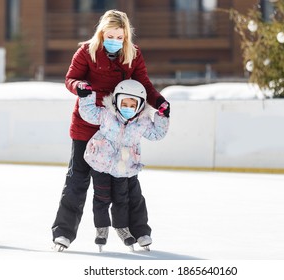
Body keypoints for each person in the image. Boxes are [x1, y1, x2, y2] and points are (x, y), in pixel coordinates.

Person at [51, 9, 170, 251]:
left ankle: (139, 232)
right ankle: (63, 234)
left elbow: (144, 85)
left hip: (118, 128)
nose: (114, 40)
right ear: (102, 33)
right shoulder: (86, 51)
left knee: (127, 182)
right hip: (87, 125)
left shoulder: (133, 54)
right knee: (77, 180)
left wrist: (159, 102)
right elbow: (70, 78)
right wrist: (80, 87)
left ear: (126, 36)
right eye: (110, 35)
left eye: (119, 36)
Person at [78, 79, 169, 251]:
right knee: (101, 199)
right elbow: (89, 113)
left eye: (132, 104)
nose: (128, 107)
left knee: (122, 200)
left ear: (140, 106)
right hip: (101, 164)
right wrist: (86, 96)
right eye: (124, 103)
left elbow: (157, 134)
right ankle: (101, 229)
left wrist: (162, 116)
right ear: (116, 101)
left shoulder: (143, 123)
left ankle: (122, 228)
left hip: (124, 168)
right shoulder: (107, 115)